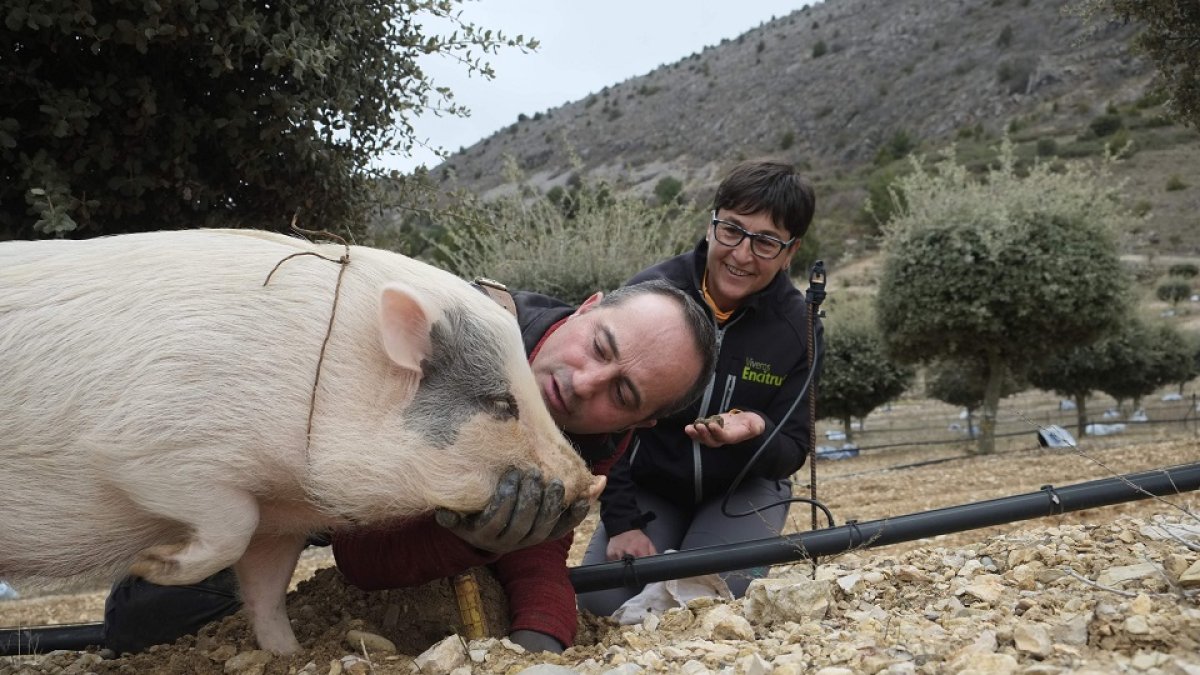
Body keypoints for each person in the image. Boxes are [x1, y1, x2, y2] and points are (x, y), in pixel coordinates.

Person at [103, 279, 716, 655]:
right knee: (144, 624)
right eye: (601, 346)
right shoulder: (459, 329)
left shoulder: (589, 444)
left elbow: (531, 556)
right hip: (269, 460)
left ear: (634, 427)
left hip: (361, 511)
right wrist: (466, 536)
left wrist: (539, 642)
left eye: (624, 394)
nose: (583, 384)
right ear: (586, 307)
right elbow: (355, 550)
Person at [576, 158, 821, 617]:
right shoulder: (649, 293)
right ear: (712, 225)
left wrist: (756, 429)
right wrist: (622, 521)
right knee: (600, 601)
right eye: (732, 230)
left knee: (705, 604)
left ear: (791, 251)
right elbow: (602, 423)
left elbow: (793, 447)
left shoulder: (799, 326)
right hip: (652, 487)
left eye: (767, 242)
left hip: (744, 490)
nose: (742, 255)